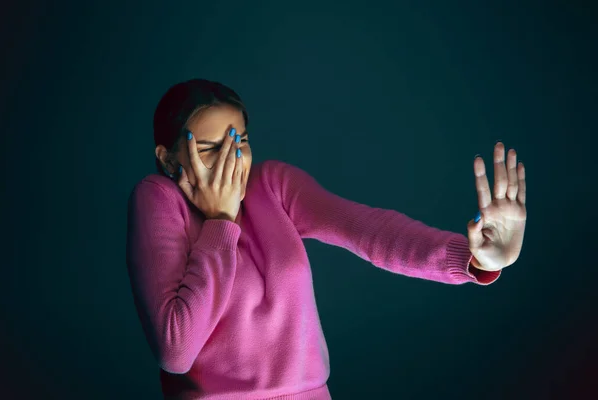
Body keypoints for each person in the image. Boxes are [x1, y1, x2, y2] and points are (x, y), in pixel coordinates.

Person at [125, 79, 528, 400]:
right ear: (167, 158)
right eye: (211, 149)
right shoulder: (157, 198)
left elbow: (369, 230)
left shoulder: (271, 184)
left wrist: (476, 260)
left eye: (241, 141)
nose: (233, 162)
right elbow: (175, 352)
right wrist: (221, 220)